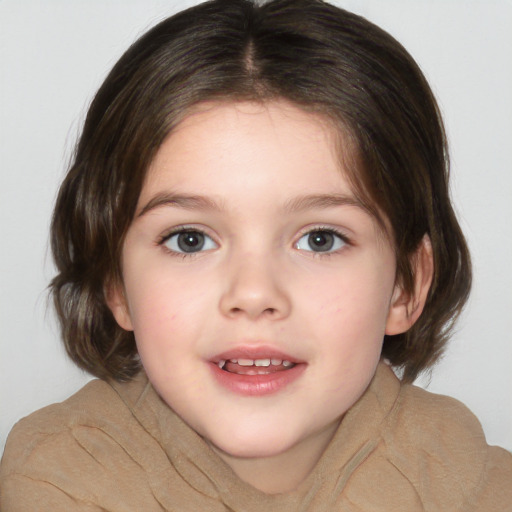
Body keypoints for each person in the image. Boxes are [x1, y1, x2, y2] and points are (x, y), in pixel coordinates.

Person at [1, 0, 511, 509]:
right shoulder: (59, 480)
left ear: (406, 285)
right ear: (116, 282)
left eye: (320, 239)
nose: (253, 294)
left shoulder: (470, 485)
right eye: (190, 239)